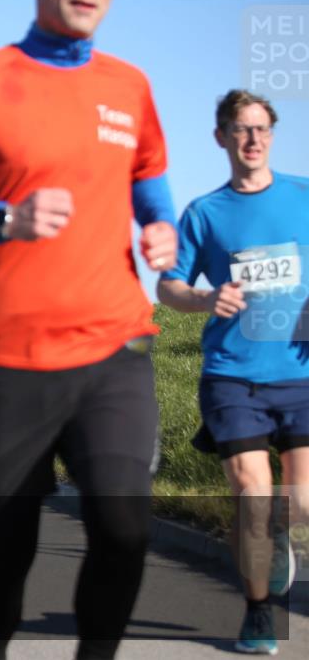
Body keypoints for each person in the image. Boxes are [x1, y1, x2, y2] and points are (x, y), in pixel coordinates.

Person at [0, 0, 179, 658]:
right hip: (9, 360)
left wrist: (160, 225)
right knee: (6, 544)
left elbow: (149, 176)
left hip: (114, 347)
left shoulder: (129, 85)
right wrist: (1, 219)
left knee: (124, 526)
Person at [157, 89, 309, 656]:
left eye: (262, 128)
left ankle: (280, 532)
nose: (253, 139)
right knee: (252, 494)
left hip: (299, 371)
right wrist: (204, 298)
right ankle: (258, 611)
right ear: (221, 137)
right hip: (232, 375)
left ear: (272, 135)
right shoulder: (206, 212)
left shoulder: (302, 196)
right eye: (242, 129)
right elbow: (168, 286)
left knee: (300, 503)